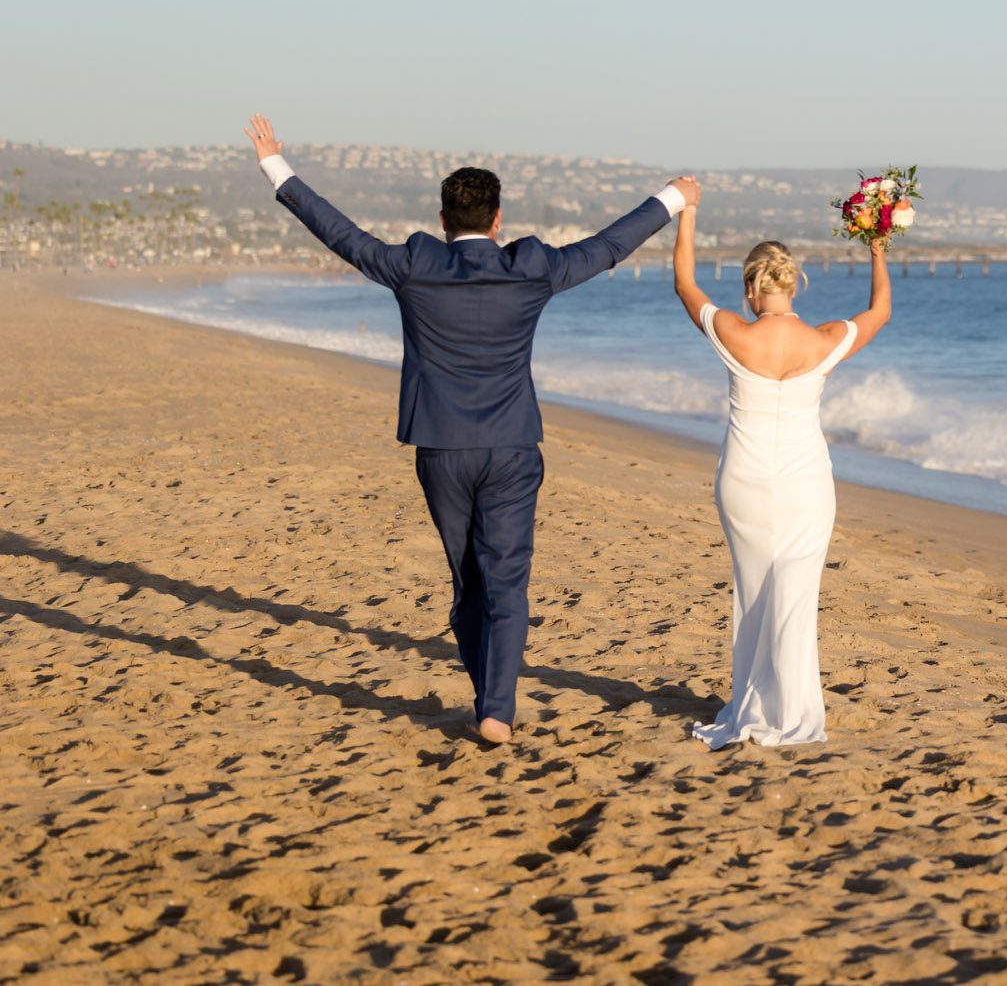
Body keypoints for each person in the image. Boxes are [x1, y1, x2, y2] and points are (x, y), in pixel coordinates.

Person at [243, 114, 694, 744]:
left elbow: (340, 233)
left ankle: (489, 702)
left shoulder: (415, 265)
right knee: (506, 579)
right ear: (498, 218)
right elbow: (607, 247)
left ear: (444, 217)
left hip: (442, 448)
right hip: (511, 447)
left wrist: (276, 166)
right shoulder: (531, 268)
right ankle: (497, 710)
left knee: (468, 582)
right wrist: (673, 199)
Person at [672, 178, 891, 747]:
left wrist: (687, 213)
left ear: (752, 287)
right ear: (794, 285)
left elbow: (684, 284)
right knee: (796, 594)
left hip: (743, 479)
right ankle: (791, 708)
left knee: (752, 592)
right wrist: (877, 243)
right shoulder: (824, 341)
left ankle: (753, 696)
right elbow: (881, 312)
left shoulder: (733, 334)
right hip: (804, 484)